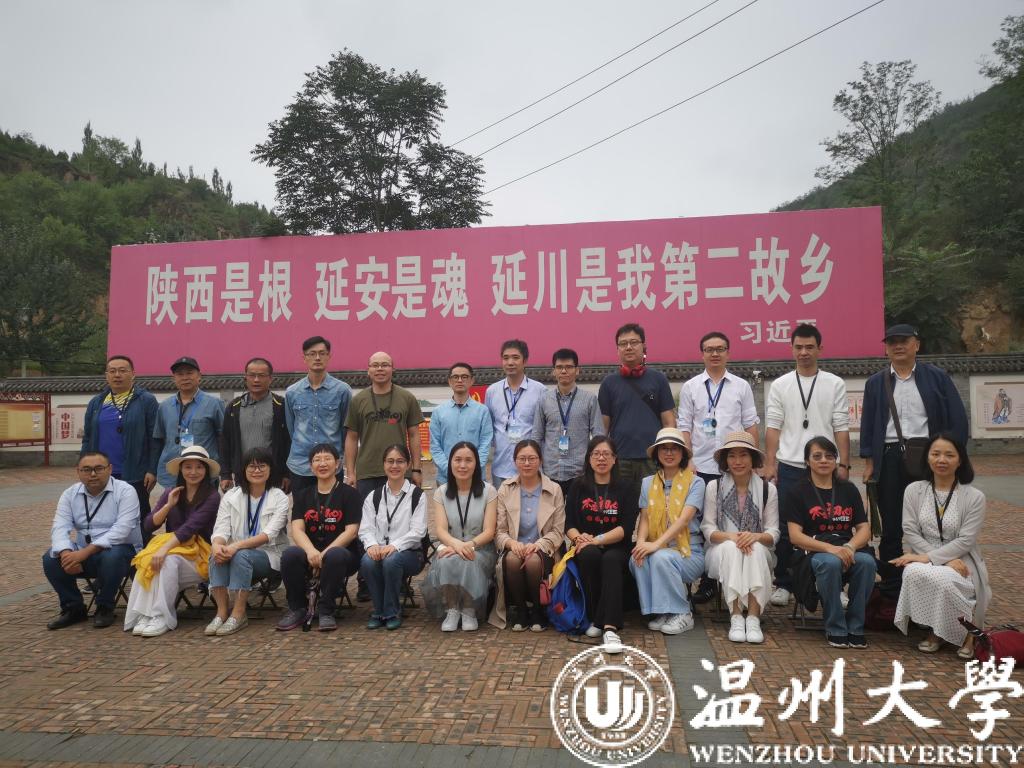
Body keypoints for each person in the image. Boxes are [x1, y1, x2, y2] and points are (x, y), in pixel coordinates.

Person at [860, 324, 968, 595]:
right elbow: (868, 424)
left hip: (928, 456)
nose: (898, 346)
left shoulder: (937, 378)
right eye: (892, 342)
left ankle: (935, 579)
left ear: (916, 345)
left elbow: (957, 418)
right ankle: (893, 587)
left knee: (933, 521)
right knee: (891, 524)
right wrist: (869, 463)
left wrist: (951, 457)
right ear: (886, 348)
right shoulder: (876, 383)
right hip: (889, 457)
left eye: (904, 341)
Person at [764, 324, 850, 608]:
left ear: (819, 349)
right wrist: (770, 463)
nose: (803, 352)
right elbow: (773, 427)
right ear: (791, 349)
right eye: (798, 347)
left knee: (833, 523)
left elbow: (841, 426)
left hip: (826, 466)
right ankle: (784, 582)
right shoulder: (780, 385)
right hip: (790, 466)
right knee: (786, 527)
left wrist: (844, 464)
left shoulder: (834, 383)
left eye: (809, 347)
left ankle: (836, 584)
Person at [676, 331, 759, 605]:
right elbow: (684, 425)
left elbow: (750, 424)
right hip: (699, 466)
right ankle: (706, 580)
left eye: (720, 349)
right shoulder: (691, 387)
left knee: (731, 520)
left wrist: (753, 461)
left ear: (728, 352)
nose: (715, 353)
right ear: (702, 354)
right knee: (702, 524)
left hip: (733, 466)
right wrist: (688, 460)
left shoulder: (741, 386)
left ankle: (732, 578)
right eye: (709, 349)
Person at [892, 433, 990, 659]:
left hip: (963, 559)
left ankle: (968, 632)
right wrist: (940, 560)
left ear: (960, 460)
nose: (941, 460)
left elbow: (966, 540)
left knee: (942, 579)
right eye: (935, 454)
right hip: (925, 553)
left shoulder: (974, 497)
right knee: (912, 572)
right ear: (927, 458)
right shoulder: (914, 490)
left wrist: (933, 559)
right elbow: (910, 531)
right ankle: (941, 629)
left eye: (949, 455)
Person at [785, 436, 876, 649]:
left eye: (829, 456)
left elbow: (864, 528)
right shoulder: (798, 492)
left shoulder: (848, 489)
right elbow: (795, 536)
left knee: (867, 563)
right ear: (807, 461)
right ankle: (835, 626)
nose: (824, 460)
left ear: (836, 460)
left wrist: (850, 547)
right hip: (813, 551)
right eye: (817, 456)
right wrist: (830, 549)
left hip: (846, 547)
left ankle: (855, 626)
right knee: (830, 562)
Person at [124, 446, 219, 637]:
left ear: (206, 470)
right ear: (181, 470)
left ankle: (162, 617)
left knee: (166, 560)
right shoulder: (170, 492)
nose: (193, 472)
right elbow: (149, 525)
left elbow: (190, 528)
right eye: (188, 467)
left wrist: (164, 549)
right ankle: (144, 614)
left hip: (201, 555)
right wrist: (168, 505)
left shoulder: (212, 496)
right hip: (174, 551)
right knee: (149, 560)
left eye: (199, 467)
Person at [42, 451, 143, 629]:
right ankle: (73, 608)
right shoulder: (70, 494)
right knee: (50, 558)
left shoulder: (126, 491)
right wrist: (66, 554)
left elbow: (122, 530)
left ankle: (105, 606)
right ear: (78, 471)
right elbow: (60, 526)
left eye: (99, 468)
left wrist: (84, 553)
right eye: (87, 469)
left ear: (110, 469)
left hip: (122, 553)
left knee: (113, 555)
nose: (93, 474)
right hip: (84, 554)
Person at [701, 432, 779, 644]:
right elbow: (708, 529)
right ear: (725, 460)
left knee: (755, 549)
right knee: (732, 548)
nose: (737, 461)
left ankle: (753, 618)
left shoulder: (768, 489)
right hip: (721, 550)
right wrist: (732, 537)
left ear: (753, 459)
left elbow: (773, 533)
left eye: (743, 455)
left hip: (758, 550)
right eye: (732, 456)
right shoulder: (714, 487)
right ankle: (736, 616)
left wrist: (754, 537)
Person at [276, 444, 363, 632]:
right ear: (311, 466)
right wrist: (311, 552)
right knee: (290, 554)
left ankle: (326, 610)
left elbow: (351, 532)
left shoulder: (350, 494)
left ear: (337, 464)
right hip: (311, 553)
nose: (322, 464)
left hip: (343, 555)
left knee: (336, 555)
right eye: (317, 460)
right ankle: (298, 608)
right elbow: (297, 529)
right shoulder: (303, 495)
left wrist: (323, 555)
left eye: (327, 459)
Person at [205, 447, 290, 637]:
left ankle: (239, 613)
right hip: (235, 552)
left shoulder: (279, 497)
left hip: (269, 555)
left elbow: (269, 534)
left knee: (241, 555)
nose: (257, 470)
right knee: (216, 555)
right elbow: (221, 529)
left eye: (262, 466)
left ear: (270, 469)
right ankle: (221, 613)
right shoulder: (231, 496)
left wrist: (235, 547)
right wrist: (217, 545)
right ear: (243, 470)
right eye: (251, 466)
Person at [628, 428, 705, 636]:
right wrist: (641, 543)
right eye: (664, 449)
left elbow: (684, 520)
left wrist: (655, 544)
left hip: (689, 552)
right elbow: (645, 518)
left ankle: (683, 613)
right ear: (657, 453)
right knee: (636, 559)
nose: (669, 453)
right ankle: (661, 610)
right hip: (659, 549)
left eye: (674, 449)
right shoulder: (648, 483)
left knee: (661, 557)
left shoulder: (695, 482)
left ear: (682, 453)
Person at [565, 436, 637, 650]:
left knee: (611, 559)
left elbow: (626, 528)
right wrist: (579, 538)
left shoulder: (626, 487)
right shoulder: (578, 486)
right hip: (584, 545)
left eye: (606, 454)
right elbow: (569, 523)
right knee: (589, 555)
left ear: (615, 459)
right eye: (596, 454)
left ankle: (609, 627)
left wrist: (596, 540)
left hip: (617, 546)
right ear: (589, 458)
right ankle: (594, 617)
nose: (601, 458)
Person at [490, 439, 565, 632]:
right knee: (513, 559)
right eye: (522, 458)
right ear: (515, 461)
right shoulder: (505, 489)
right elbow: (499, 531)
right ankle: (521, 611)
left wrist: (538, 545)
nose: (527, 463)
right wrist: (511, 543)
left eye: (532, 458)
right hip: (515, 548)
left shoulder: (554, 489)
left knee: (533, 561)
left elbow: (558, 532)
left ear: (540, 460)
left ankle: (538, 611)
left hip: (544, 549)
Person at [421, 442, 497, 632]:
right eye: (458, 460)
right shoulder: (441, 492)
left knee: (469, 559)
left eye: (468, 460)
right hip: (451, 546)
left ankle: (469, 610)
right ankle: (452, 609)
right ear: (450, 463)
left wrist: (468, 545)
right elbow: (440, 530)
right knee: (446, 560)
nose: (463, 465)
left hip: (481, 549)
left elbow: (489, 531)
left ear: (476, 464)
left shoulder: (489, 491)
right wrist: (457, 545)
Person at [598, 323, 675, 504]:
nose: (628, 347)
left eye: (633, 342)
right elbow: (603, 427)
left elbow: (669, 422)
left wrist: (667, 453)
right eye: (623, 343)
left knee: (654, 506)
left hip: (652, 459)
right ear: (617, 349)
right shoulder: (609, 383)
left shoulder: (658, 379)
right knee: (620, 506)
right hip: (620, 459)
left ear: (644, 346)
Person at [80, 355, 158, 527]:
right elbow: (88, 437)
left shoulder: (146, 400)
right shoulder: (97, 403)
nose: (117, 375)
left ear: (133, 374)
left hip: (135, 472)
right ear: (106, 375)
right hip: (101, 472)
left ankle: (142, 544)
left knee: (138, 518)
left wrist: (152, 469)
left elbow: (155, 438)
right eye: (112, 371)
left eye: (123, 370)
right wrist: (83, 466)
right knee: (102, 517)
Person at [358, 444, 428, 631]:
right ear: (383, 465)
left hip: (410, 554)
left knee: (392, 560)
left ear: (408, 465)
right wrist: (372, 545)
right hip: (380, 550)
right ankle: (378, 610)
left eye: (400, 461)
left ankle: (391, 611)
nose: (394, 466)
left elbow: (418, 531)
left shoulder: (417, 495)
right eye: (390, 461)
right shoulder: (373, 496)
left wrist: (394, 546)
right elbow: (365, 528)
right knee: (367, 561)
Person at [345, 351, 424, 497]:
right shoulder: (358, 400)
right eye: (375, 365)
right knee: (368, 511)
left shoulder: (407, 398)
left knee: (401, 511)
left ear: (393, 369)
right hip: (367, 472)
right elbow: (351, 437)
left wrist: (416, 469)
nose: (380, 369)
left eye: (385, 365)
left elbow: (414, 435)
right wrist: (350, 472)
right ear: (368, 370)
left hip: (399, 468)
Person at [532, 348, 604, 499]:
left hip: (580, 471)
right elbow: (537, 436)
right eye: (559, 367)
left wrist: (594, 467)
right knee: (550, 512)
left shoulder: (589, 399)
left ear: (577, 370)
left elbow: (598, 436)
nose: (564, 371)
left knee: (577, 513)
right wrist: (537, 467)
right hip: (550, 470)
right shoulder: (544, 400)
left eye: (569, 367)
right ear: (553, 371)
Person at [285, 336, 352, 495]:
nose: (317, 358)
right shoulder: (292, 392)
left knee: (333, 508)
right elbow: (291, 428)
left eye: (322, 353)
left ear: (329, 356)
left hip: (331, 465)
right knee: (301, 508)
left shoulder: (342, 391)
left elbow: (345, 429)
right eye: (312, 353)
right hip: (300, 465)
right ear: (304, 358)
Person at [152, 357, 224, 492]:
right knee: (172, 506)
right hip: (170, 475)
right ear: (174, 378)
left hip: (203, 474)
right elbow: (158, 440)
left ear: (199, 376)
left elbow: (223, 439)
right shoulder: (164, 406)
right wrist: (152, 471)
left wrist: (225, 472)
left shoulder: (214, 404)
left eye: (189, 373)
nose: (185, 377)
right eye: (180, 374)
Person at [220, 357, 292, 492]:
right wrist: (225, 474)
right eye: (252, 375)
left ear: (270, 379)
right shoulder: (234, 407)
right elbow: (225, 442)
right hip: (243, 474)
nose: (256, 380)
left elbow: (289, 441)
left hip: (273, 474)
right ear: (245, 378)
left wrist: (287, 474)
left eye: (261, 375)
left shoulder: (281, 406)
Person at [485, 340, 545, 487]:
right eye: (506, 358)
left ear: (525, 361)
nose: (510, 362)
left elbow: (543, 429)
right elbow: (489, 427)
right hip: (501, 466)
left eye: (515, 357)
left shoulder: (540, 391)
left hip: (530, 467)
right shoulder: (492, 391)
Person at [429, 362, 493, 486]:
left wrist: (472, 469)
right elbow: (435, 446)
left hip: (475, 478)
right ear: (449, 381)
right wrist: (450, 469)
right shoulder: (438, 412)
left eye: (464, 377)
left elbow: (485, 444)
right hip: (446, 479)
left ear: (472, 380)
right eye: (455, 377)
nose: (459, 380)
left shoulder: (482, 411)